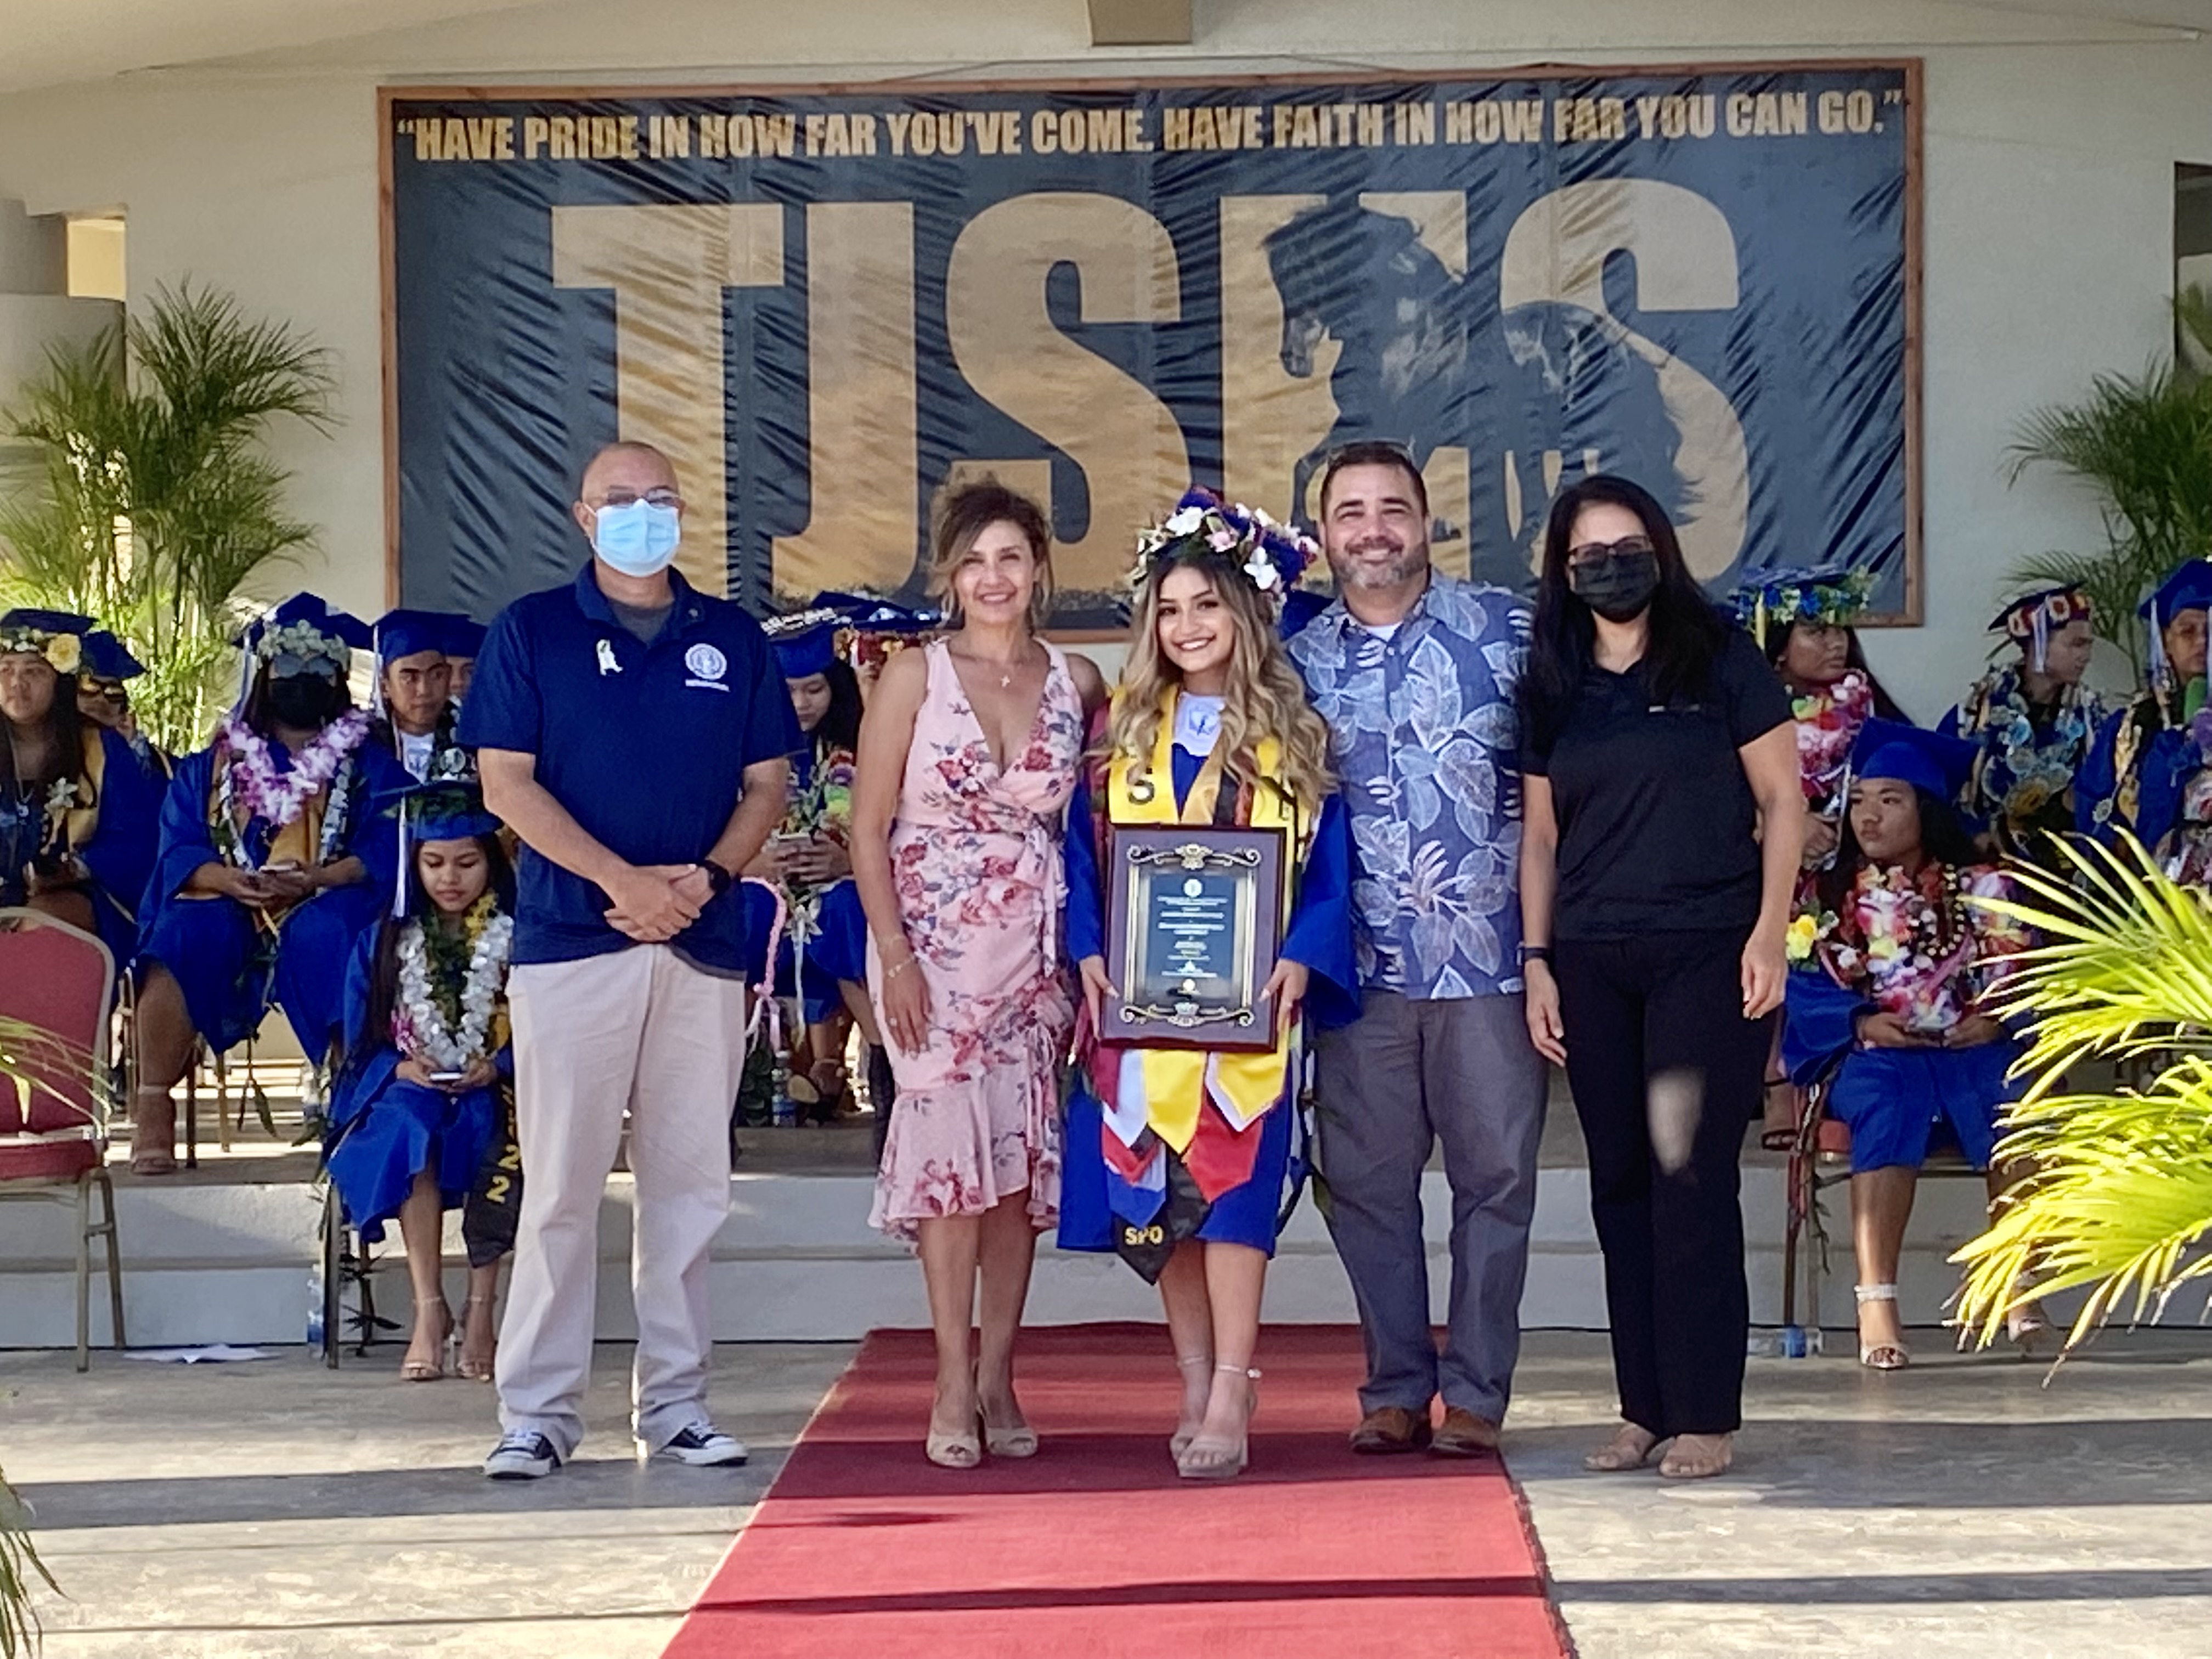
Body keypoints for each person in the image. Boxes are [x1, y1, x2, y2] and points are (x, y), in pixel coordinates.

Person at [461, 441, 797, 1480]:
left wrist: (703, 878)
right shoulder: (533, 630)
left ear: (684, 512)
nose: (641, 514)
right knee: (561, 1188)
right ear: (583, 515)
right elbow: (506, 784)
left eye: (659, 498)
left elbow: (769, 783)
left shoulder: (730, 636)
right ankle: (538, 1412)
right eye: (619, 499)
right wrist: (621, 881)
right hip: (573, 945)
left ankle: (679, 1404)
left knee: (688, 1190)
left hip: (702, 943)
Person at [1063, 493, 1355, 1480]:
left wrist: (1304, 953)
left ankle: (1234, 1382)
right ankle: (1192, 1379)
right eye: (1169, 609)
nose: (1187, 626)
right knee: (1160, 1194)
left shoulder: (1294, 730)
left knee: (1231, 1195)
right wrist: (1086, 945)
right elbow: (1078, 854)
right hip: (1138, 1005)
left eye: (1206, 605)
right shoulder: (1117, 728)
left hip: (1251, 1009)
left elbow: (1331, 867)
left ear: (1246, 612)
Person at [1517, 474, 1802, 1482]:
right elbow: (1540, 838)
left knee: (1689, 1175)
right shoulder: (1553, 678)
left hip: (1706, 949)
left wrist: (1770, 933)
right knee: (1621, 1183)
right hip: (1593, 957)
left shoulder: (1719, 656)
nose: (1610, 566)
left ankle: (1704, 1411)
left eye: (1626, 547)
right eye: (1588, 555)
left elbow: (1784, 800)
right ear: (1564, 571)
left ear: (1661, 551)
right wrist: (1537, 961)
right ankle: (1642, 1406)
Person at [1285, 441, 1549, 1459]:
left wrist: (1552, 946)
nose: (1373, 530)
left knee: (1498, 1180)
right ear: (1322, 536)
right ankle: (1395, 1386)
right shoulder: (1293, 665)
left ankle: (1477, 1392)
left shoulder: (1509, 632)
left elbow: (1560, 788)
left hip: (1490, 960)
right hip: (1360, 971)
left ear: (1428, 520)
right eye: (1350, 512)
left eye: (1392, 508)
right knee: (1367, 1187)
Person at [849, 477, 1104, 1468]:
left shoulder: (1077, 679)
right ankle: (951, 1377)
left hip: (1032, 954)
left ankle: (1000, 1371)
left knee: (1012, 1168)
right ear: (949, 575)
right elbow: (868, 828)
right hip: (931, 946)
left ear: (1039, 568)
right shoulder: (915, 675)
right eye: (973, 561)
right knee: (950, 1167)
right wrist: (896, 958)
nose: (993, 577)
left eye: (1010, 558)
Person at [1781, 720, 2040, 1370]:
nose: (1868, 816)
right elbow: (1802, 981)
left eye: (1890, 800)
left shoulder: (1983, 886)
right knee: (1887, 1103)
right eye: (1860, 801)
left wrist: (1995, 1018)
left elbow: (2022, 971)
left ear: (1926, 811)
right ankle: (1877, 1301)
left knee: (2015, 1099)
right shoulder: (1827, 893)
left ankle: (2019, 1282)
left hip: (1970, 1048)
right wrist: (1862, 1023)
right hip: (1875, 1052)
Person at [132, 595, 409, 1176]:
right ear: (264, 674)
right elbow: (179, 844)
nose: (302, 680)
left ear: (338, 678)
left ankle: (348, 1089)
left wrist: (322, 876)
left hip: (326, 896)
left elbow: (386, 846)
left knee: (334, 928)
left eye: (318, 668)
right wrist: (223, 878)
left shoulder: (369, 763)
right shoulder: (214, 765)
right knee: (183, 931)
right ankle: (153, 1101)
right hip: (231, 899)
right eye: (288, 667)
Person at [325, 784, 517, 1383]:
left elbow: (549, 1027)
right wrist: (400, 1067)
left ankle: (481, 1311)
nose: (449, 879)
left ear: (492, 861)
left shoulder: (520, 938)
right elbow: (361, 1043)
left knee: (498, 1130)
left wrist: (501, 1063)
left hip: (498, 1086)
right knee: (412, 1127)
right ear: (414, 864)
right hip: (410, 1084)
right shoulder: (384, 941)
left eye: (466, 862)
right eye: (433, 863)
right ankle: (429, 1309)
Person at [749, 610, 862, 1123]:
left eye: (814, 689)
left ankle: (848, 1064)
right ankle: (744, 1071)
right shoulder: (744, 752)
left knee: (843, 910)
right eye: (788, 691)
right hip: (764, 883)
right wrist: (757, 862)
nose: (801, 703)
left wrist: (845, 859)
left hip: (837, 883)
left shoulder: (859, 751)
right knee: (749, 910)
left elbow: (885, 832)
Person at [0, 608, 163, 962]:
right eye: (6, 670)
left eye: (33, 672)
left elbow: (139, 839)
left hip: (76, 900)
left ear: (60, 680)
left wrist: (76, 869)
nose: (16, 684)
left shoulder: (101, 748)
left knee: (39, 925)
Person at [1731, 566, 1907, 871]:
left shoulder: (1866, 708)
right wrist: (1788, 824)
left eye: (1840, 629)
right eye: (1818, 631)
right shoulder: (1743, 712)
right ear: (1780, 646)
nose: (1837, 643)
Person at [1941, 585, 2106, 865]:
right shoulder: (1974, 714)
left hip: (2065, 860)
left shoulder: (2091, 717)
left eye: (2089, 645)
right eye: (2076, 644)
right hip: (1985, 860)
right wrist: (1975, 834)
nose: (2086, 655)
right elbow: (1943, 786)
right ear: (2037, 644)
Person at [2078, 560, 2212, 878]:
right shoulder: (2132, 728)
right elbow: (2095, 806)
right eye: (2187, 631)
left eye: (2211, 631)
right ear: (2166, 642)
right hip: (2147, 889)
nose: (2202, 641)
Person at [370, 609, 471, 783]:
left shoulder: (472, 740)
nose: (424, 690)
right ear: (385, 687)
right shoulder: (363, 747)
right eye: (409, 678)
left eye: (437, 675)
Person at [75, 629, 170, 780]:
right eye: (90, 689)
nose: (101, 699)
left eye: (113, 692)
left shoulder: (151, 760)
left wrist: (129, 746)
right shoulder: (51, 747)